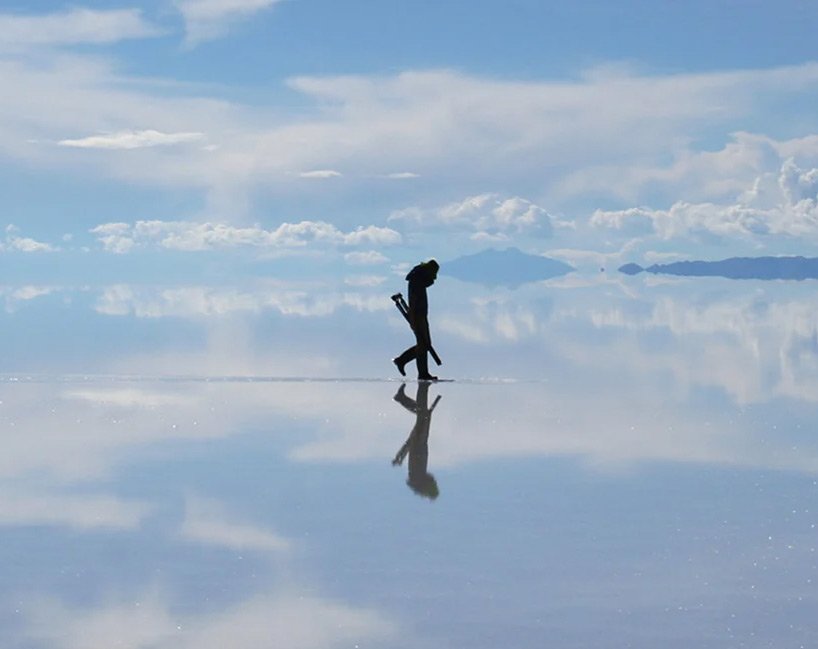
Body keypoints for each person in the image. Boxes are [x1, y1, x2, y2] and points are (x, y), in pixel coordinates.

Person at [393, 259, 439, 381]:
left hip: (420, 315)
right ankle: (414, 368)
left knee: (424, 344)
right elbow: (415, 301)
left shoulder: (417, 278)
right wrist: (414, 318)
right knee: (424, 344)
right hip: (418, 315)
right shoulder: (417, 280)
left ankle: (405, 362)